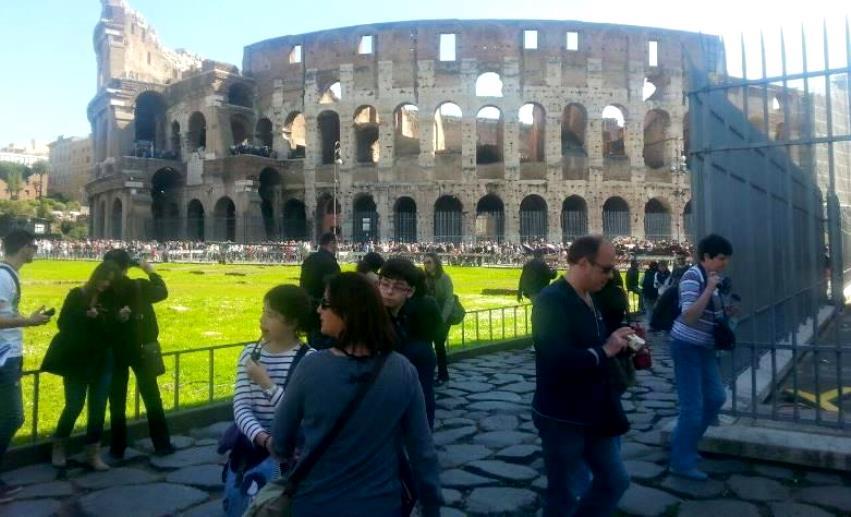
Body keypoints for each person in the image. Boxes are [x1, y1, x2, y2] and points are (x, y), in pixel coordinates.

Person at [272, 272, 442, 516]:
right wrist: (432, 505)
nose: (319, 309)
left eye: (325, 303)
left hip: (316, 503)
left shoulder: (311, 367)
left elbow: (280, 439)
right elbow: (422, 450)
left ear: (347, 313)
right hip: (380, 503)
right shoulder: (402, 370)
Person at [532, 235, 633, 516]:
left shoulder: (592, 297)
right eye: (606, 269)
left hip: (595, 410)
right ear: (584, 263)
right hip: (561, 415)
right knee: (562, 495)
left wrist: (622, 346)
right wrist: (606, 350)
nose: (611, 275)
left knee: (616, 481)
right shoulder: (550, 301)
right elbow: (555, 358)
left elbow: (596, 344)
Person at [224, 285, 314, 517]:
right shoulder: (249, 354)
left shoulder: (309, 360)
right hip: (251, 450)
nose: (262, 320)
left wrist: (266, 383)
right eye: (263, 311)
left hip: (289, 457)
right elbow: (241, 407)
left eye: (271, 315)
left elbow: (300, 415)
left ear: (293, 323)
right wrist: (265, 440)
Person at [41, 261, 122, 471]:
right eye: (103, 280)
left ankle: (92, 453)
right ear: (96, 276)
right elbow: (62, 323)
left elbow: (111, 329)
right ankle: (58, 447)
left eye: (109, 282)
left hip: (103, 358)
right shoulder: (77, 294)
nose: (104, 285)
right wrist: (85, 315)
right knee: (74, 405)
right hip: (78, 359)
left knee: (98, 408)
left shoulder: (110, 298)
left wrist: (120, 318)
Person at [669, 234, 733, 481]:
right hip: (685, 346)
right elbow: (688, 316)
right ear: (706, 257)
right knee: (692, 408)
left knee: (716, 398)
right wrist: (709, 289)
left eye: (726, 258)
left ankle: (684, 444)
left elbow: (708, 315)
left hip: (704, 347)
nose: (724, 262)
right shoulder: (692, 277)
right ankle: (681, 461)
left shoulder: (713, 279)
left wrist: (726, 311)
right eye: (720, 258)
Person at [102, 249, 175, 459]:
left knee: (116, 400)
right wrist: (150, 270)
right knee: (152, 397)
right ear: (127, 267)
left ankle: (117, 448)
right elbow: (162, 291)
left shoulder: (103, 291)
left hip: (116, 350)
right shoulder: (139, 286)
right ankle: (162, 444)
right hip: (141, 348)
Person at [0, 230, 52, 502]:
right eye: (34, 245)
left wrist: (24, 317)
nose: (37, 249)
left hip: (8, 354)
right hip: (3, 356)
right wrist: (28, 323)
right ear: (22, 247)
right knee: (12, 418)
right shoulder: (3, 276)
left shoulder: (8, 274)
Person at [378, 258, 437, 429]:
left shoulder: (408, 318)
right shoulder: (369, 320)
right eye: (385, 284)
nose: (389, 291)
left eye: (397, 287)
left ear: (410, 291)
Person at [300, 233, 341, 348]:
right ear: (331, 243)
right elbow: (334, 289)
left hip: (308, 305)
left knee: (312, 341)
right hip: (323, 308)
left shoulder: (309, 259)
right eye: (336, 243)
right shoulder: (330, 263)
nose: (337, 246)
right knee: (323, 344)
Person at [423, 253, 452, 384]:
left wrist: (443, 318)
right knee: (427, 345)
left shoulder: (445, 278)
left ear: (436, 263)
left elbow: (449, 299)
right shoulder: (425, 279)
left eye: (429, 262)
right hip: (429, 315)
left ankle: (443, 374)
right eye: (425, 263)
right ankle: (429, 373)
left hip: (442, 314)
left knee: (439, 344)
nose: (427, 265)